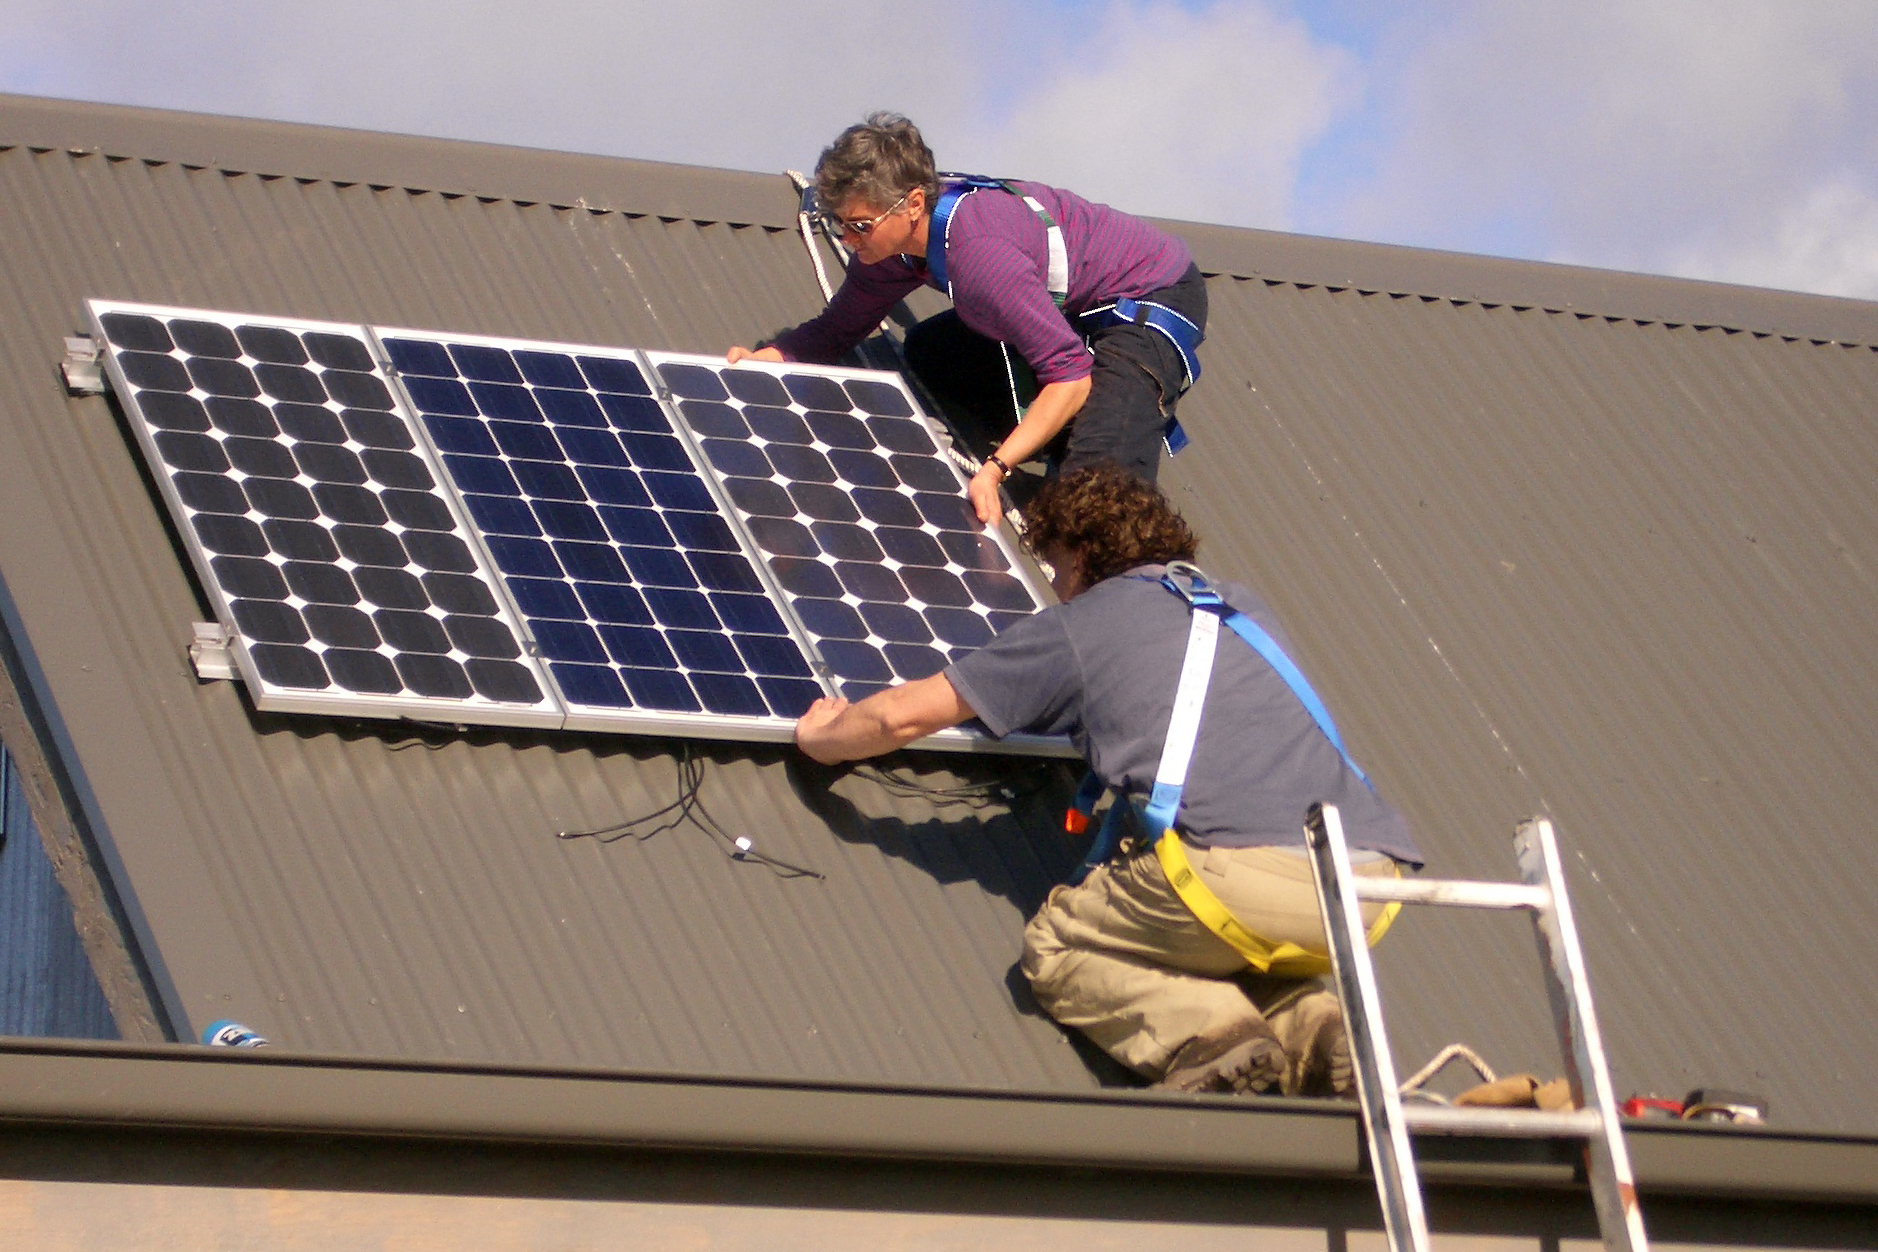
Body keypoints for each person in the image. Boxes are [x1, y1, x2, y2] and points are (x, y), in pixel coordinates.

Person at [794, 464, 1422, 1095]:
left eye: (1055, 564)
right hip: (1363, 889)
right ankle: (1321, 1035)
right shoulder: (1239, 604)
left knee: (1060, 947)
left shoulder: (1077, 630)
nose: (1055, 583)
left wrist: (821, 738)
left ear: (1085, 552)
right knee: (1217, 946)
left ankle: (1214, 1041)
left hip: (1240, 879)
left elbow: (900, 717)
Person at [729, 113, 1206, 530]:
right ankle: (1060, 433)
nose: (849, 239)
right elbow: (836, 330)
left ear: (913, 204)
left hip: (1146, 298)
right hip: (1071, 309)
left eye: (860, 225)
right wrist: (764, 360)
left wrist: (996, 468)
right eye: (840, 225)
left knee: (1097, 502)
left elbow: (1071, 376)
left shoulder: (979, 258)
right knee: (931, 352)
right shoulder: (888, 255)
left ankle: (1086, 441)